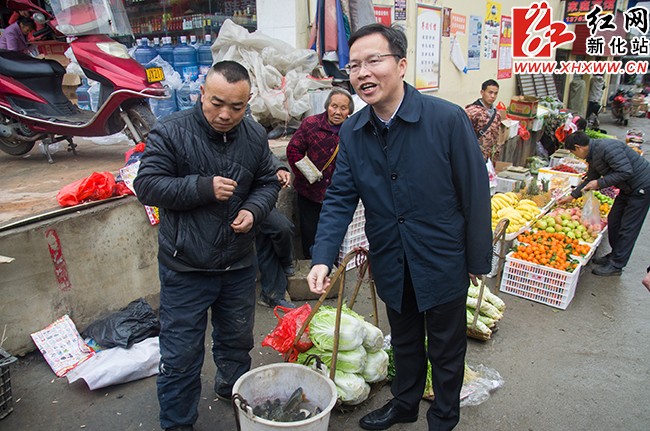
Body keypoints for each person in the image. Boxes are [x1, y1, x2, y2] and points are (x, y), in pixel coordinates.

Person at [307, 24, 492, 431]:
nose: (363, 73)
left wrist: (478, 258)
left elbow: (475, 191)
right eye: (354, 65)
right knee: (404, 340)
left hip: (442, 257)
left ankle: (443, 417)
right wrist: (322, 256)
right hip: (391, 257)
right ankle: (404, 404)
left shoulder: (446, 119)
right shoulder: (353, 132)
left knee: (446, 346)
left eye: (374, 60)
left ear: (402, 64)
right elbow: (340, 198)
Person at [133, 61, 280, 431]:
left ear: (249, 103)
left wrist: (253, 210)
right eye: (217, 103)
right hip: (187, 266)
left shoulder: (254, 135)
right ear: (202, 93)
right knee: (181, 355)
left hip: (238, 264)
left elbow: (267, 181)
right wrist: (202, 187)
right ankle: (178, 423)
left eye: (237, 106)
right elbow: (146, 186)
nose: (225, 114)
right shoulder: (170, 132)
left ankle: (232, 390)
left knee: (236, 340)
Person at [558, 131, 650, 277]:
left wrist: (600, 183)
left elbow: (626, 171)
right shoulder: (593, 154)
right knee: (614, 220)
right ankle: (615, 255)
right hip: (626, 187)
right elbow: (591, 178)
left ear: (578, 147)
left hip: (641, 187)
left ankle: (617, 265)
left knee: (628, 227)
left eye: (573, 152)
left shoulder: (607, 149)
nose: (575, 156)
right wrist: (572, 196)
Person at [286, 87, 354, 258]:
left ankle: (332, 270)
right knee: (310, 235)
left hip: (337, 195)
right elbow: (294, 149)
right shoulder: (311, 124)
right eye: (333, 106)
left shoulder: (352, 131)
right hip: (309, 193)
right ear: (327, 106)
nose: (337, 112)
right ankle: (312, 271)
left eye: (343, 108)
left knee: (334, 236)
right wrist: (307, 173)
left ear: (349, 112)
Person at [256, 161, 297, 309]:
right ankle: (285, 262)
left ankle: (271, 294)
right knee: (280, 227)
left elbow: (264, 154)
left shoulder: (250, 138)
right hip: (237, 201)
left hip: (258, 198)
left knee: (269, 236)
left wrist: (279, 168)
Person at [465, 79, 502, 161]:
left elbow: (497, 135)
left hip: (490, 158)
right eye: (490, 92)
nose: (493, 96)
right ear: (482, 92)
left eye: (495, 93)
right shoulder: (472, 112)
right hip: (475, 156)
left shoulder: (497, 114)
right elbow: (463, 134)